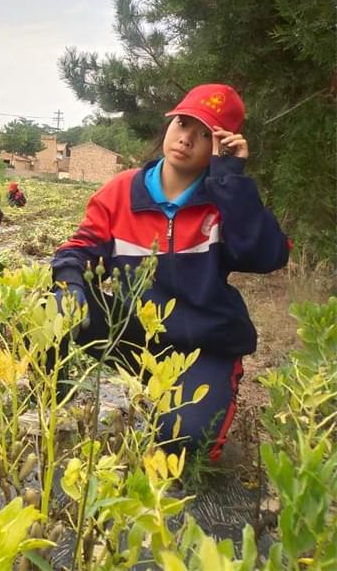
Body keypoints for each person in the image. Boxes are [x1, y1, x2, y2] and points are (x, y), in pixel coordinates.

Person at [51, 84, 289, 461]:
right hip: (140, 336)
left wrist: (230, 179)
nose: (186, 139)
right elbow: (79, 247)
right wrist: (68, 283)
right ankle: (50, 407)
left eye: (205, 134)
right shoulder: (122, 191)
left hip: (205, 345)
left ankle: (195, 395)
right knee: (52, 306)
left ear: (219, 147)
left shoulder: (222, 199)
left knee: (182, 441)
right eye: (182, 123)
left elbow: (265, 256)